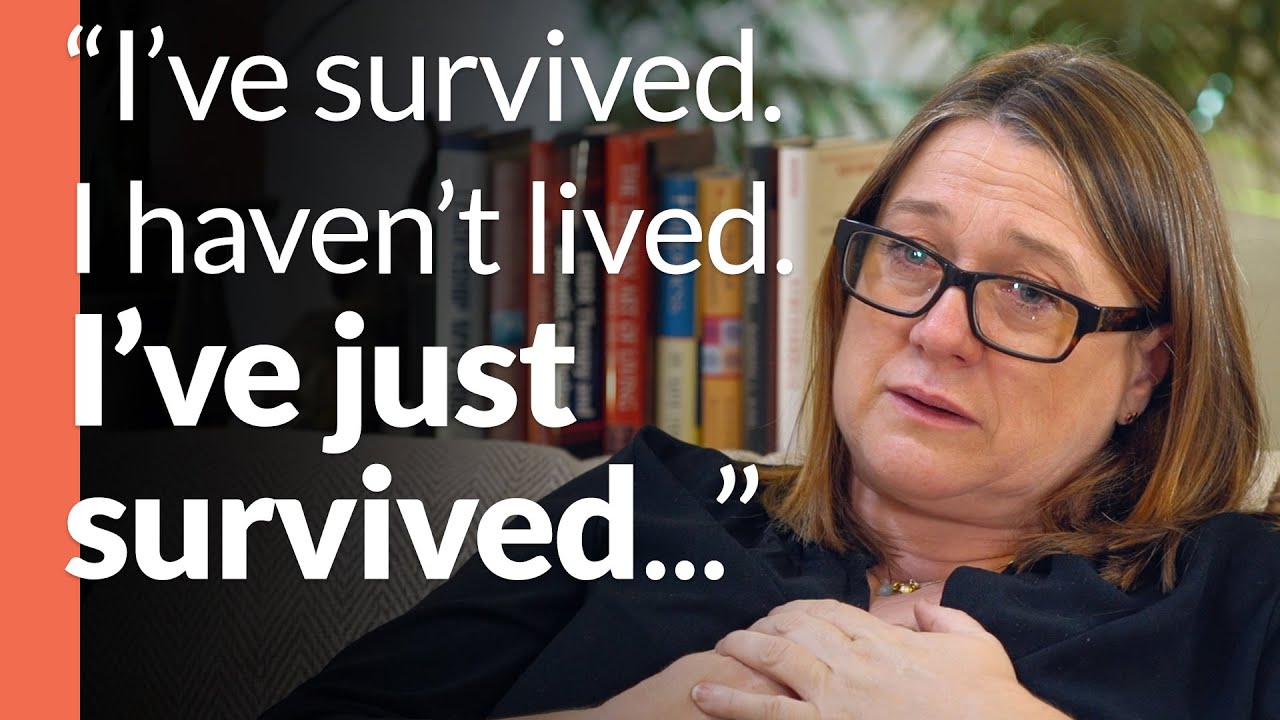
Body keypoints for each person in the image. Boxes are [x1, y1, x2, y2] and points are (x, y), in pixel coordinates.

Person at [262, 43, 1277, 719]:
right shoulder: (648, 507)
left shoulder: (1239, 599)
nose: (936, 331)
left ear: (1148, 367)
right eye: (910, 253)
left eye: (1025, 291)